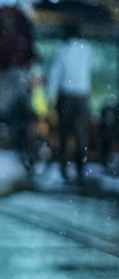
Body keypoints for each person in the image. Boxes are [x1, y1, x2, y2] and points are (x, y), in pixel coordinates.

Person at [46, 23, 95, 181]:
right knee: (80, 132)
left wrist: (50, 98)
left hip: (66, 96)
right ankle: (81, 167)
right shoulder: (87, 49)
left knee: (64, 133)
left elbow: (55, 76)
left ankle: (64, 168)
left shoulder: (63, 51)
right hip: (82, 96)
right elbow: (97, 65)